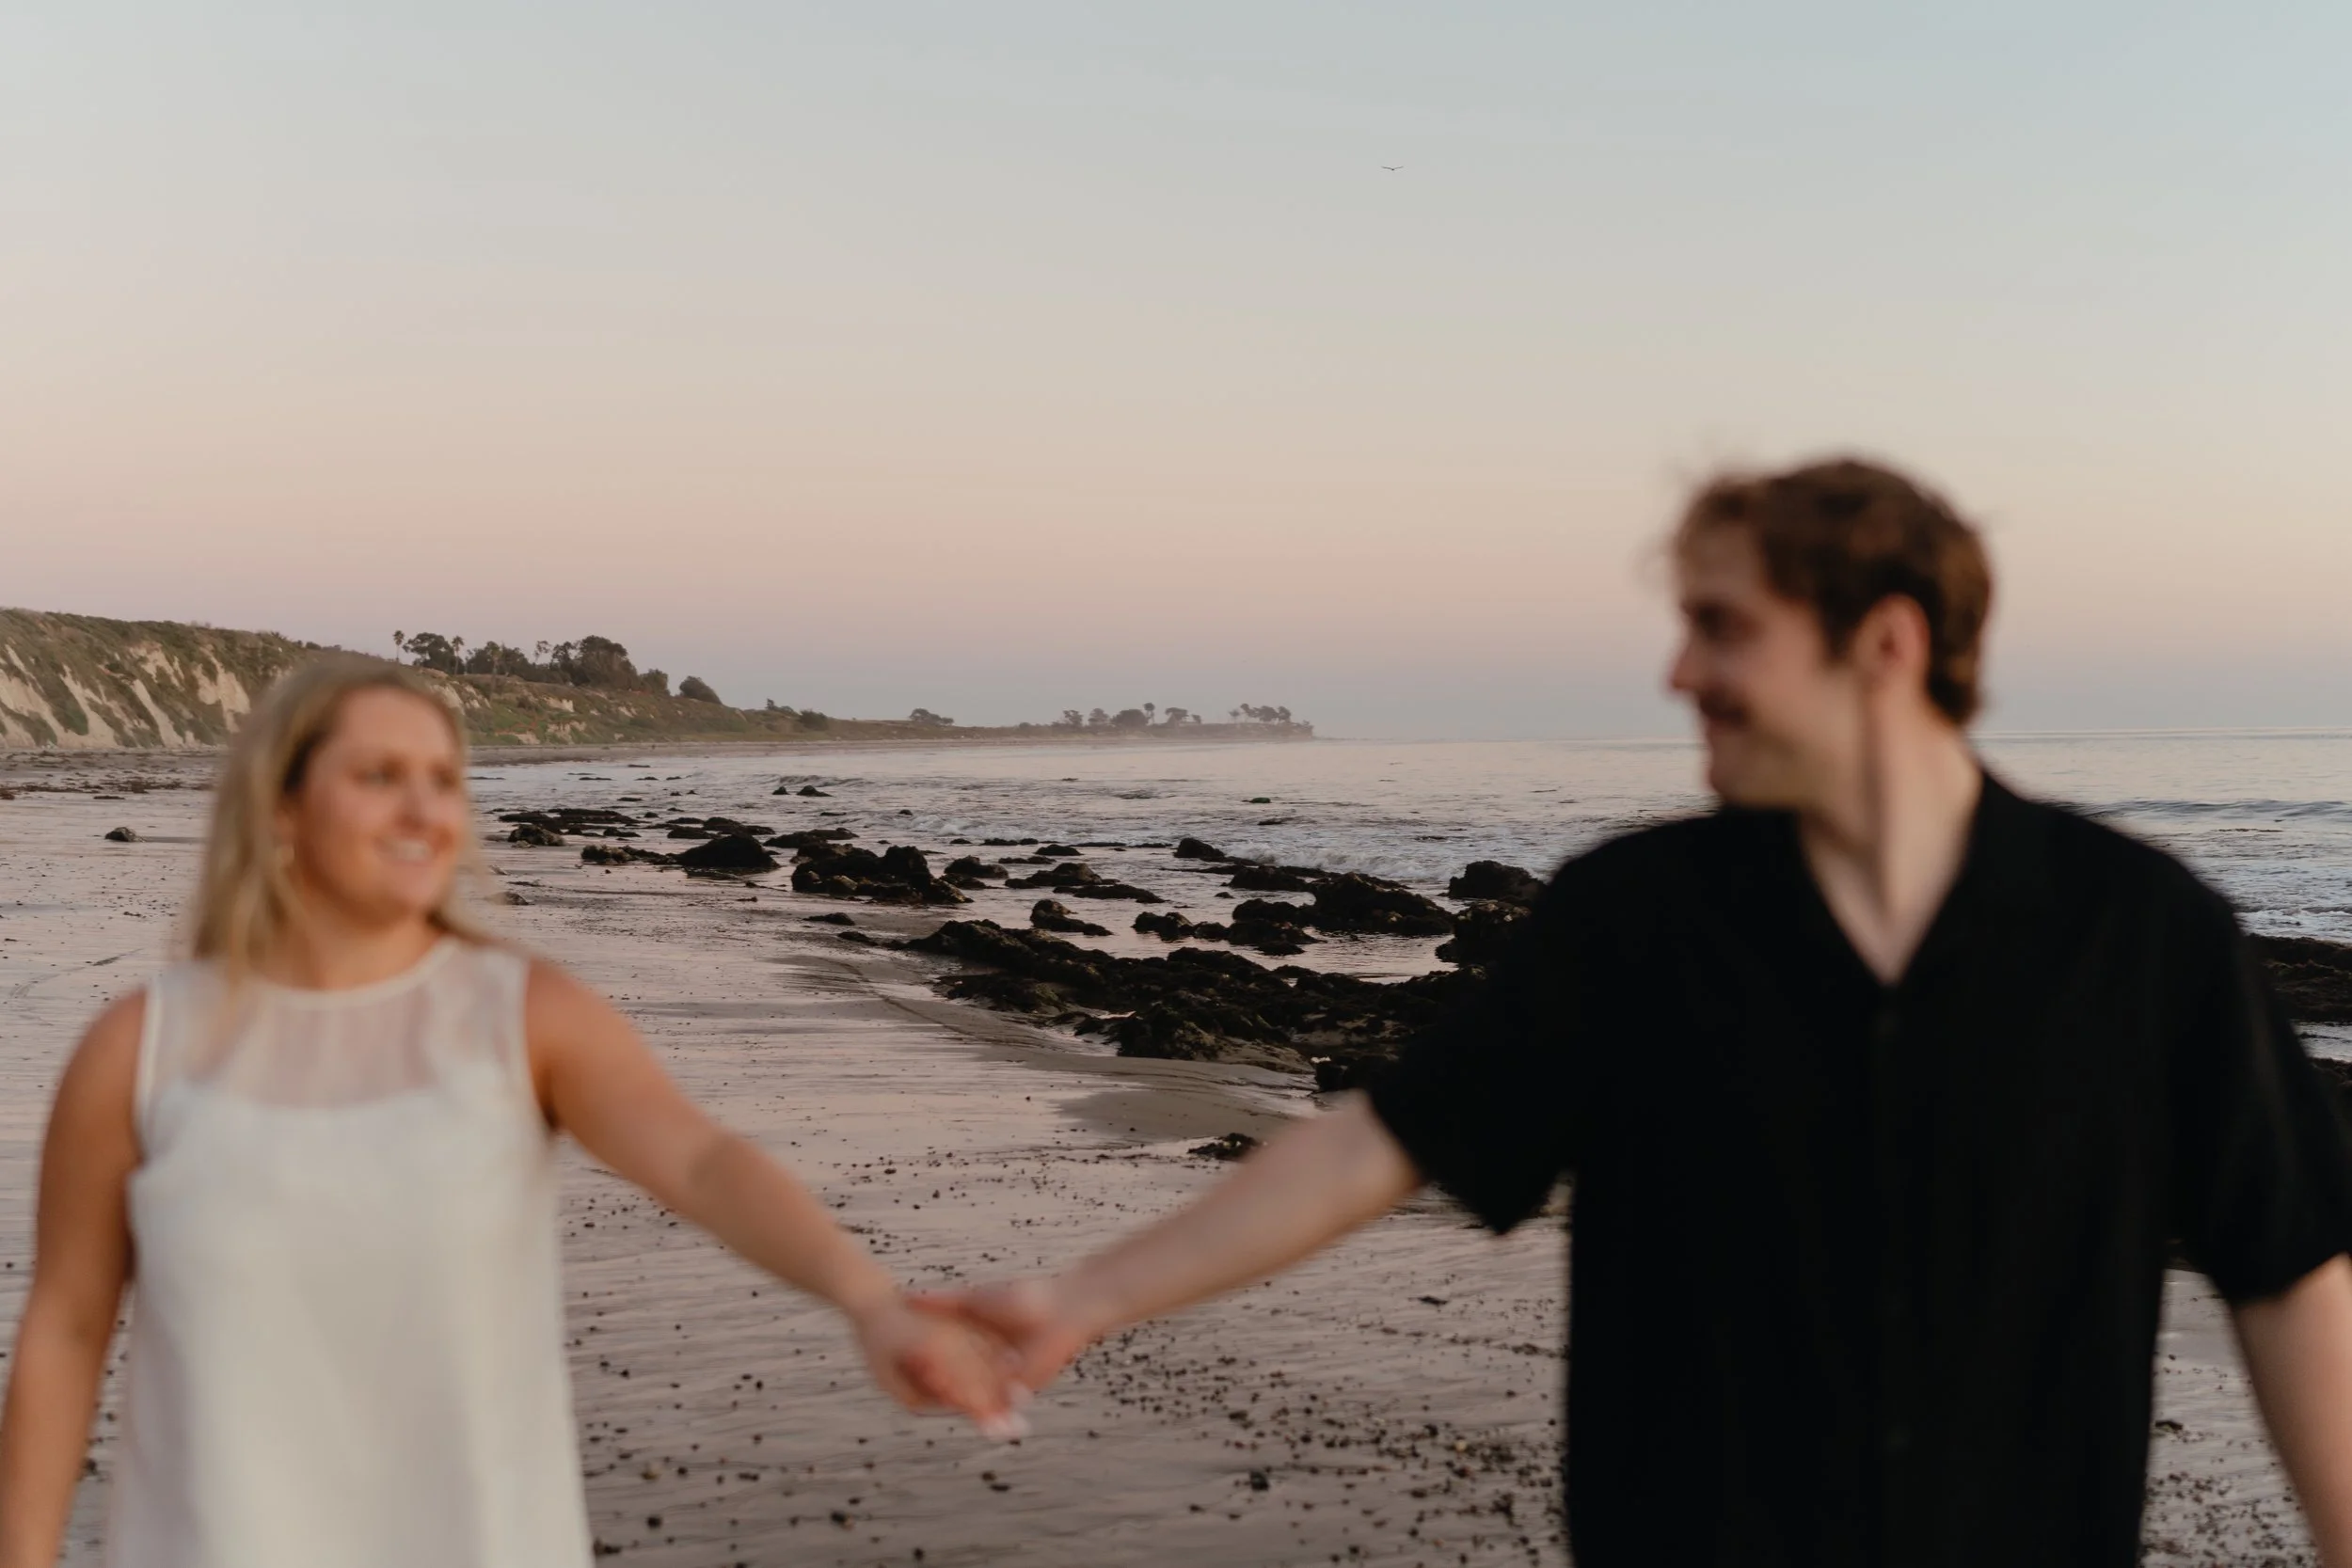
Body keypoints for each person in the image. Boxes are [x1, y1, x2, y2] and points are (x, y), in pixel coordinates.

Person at [924, 458, 2352, 1567]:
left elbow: (2285, 1260)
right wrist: (1084, 1296)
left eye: (1723, 628)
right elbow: (1381, 1143)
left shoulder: (2139, 930)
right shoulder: (1635, 917)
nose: (1679, 675)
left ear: (1888, 643)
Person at [0, 658, 1018, 1568]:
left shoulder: (520, 1016)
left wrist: (870, 1298)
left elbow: (703, 1161)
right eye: (378, 775)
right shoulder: (140, 1049)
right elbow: (66, 1325)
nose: (424, 810)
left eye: (443, 779)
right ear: (280, 806)